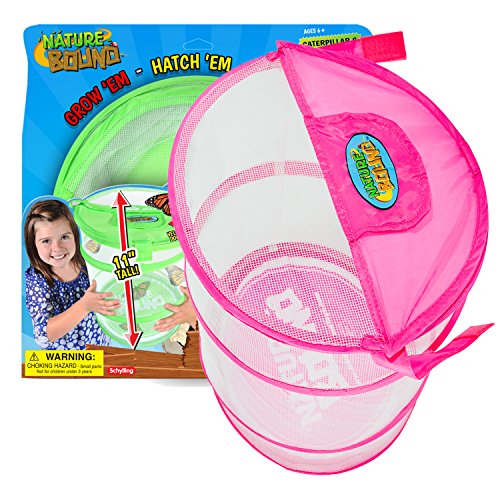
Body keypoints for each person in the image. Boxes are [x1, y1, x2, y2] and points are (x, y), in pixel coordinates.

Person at [24, 199, 120, 350]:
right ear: (33, 244)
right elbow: (44, 335)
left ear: (75, 236)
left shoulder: (86, 261)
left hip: (100, 350)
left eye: (64, 237)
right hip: (64, 361)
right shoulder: (38, 280)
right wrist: (85, 305)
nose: (57, 248)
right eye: (46, 241)